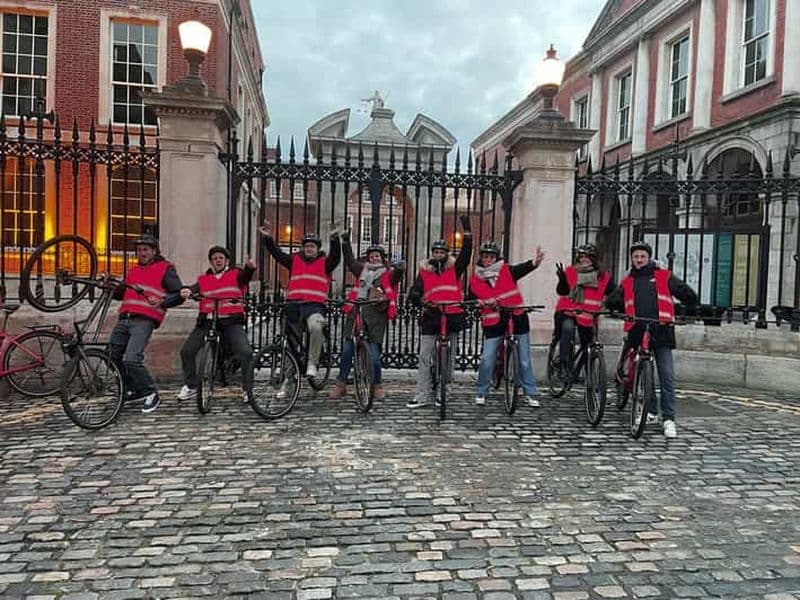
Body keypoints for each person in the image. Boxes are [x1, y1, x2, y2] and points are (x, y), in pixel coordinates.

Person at [606, 240, 698, 438]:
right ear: (632, 259)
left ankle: (669, 418)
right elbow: (612, 300)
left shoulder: (663, 275)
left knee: (666, 376)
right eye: (636, 257)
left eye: (642, 257)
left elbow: (686, 292)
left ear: (649, 258)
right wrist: (618, 307)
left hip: (661, 331)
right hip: (637, 331)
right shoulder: (628, 281)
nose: (639, 260)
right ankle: (652, 411)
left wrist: (690, 302)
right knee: (640, 376)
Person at [108, 234, 184, 414]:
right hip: (124, 317)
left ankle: (151, 392)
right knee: (111, 356)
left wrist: (162, 302)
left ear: (154, 251)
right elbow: (121, 293)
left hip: (144, 319)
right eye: (139, 250)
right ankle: (133, 389)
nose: (141, 253)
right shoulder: (134, 270)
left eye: (145, 250)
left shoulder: (165, 268)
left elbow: (180, 293)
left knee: (132, 358)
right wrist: (111, 285)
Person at [406, 215, 473, 408]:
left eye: (441, 252)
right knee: (425, 357)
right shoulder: (425, 271)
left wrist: (467, 231)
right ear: (431, 254)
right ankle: (422, 394)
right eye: (435, 252)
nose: (437, 255)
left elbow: (466, 255)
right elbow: (416, 289)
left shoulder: (454, 269)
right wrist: (417, 297)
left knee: (448, 358)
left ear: (446, 254)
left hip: (452, 315)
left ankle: (445, 392)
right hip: (431, 315)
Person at [259, 222, 341, 377]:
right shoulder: (294, 261)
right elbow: (278, 254)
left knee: (316, 327)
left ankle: (312, 363)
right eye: (307, 246)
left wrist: (334, 238)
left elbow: (336, 257)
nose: (309, 249)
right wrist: (267, 238)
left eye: (312, 246)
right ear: (303, 248)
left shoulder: (325, 263)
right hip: (294, 305)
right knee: (290, 340)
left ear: (318, 249)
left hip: (314, 307)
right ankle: (287, 372)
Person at [469, 241, 545, 407]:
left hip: (516, 317)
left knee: (524, 359)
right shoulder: (476, 278)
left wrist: (535, 263)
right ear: (481, 258)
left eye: (491, 256)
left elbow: (521, 269)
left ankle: (530, 392)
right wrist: (478, 302)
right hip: (494, 322)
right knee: (487, 358)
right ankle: (482, 390)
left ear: (496, 257)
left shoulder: (506, 270)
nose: (488, 259)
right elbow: (470, 298)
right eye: (485, 256)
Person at [177, 246, 256, 404]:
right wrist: (187, 291)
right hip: (207, 321)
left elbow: (245, 277)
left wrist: (249, 268)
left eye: (220, 258)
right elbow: (194, 289)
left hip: (230, 321)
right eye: (214, 258)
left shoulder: (235, 274)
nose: (217, 260)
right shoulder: (204, 279)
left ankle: (248, 388)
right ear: (211, 262)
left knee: (245, 352)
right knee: (187, 351)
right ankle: (191, 385)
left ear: (226, 261)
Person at [330, 234, 404, 400]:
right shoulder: (361, 271)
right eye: (371, 256)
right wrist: (346, 242)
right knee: (347, 350)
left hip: (376, 316)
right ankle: (341, 384)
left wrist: (400, 268)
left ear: (382, 259)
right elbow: (350, 261)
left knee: (373, 354)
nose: (374, 258)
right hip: (356, 312)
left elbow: (397, 276)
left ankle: (377, 384)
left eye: (377, 256)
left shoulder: (388, 274)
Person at [554, 243, 615, 382]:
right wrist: (562, 279)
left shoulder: (603, 276)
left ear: (594, 259)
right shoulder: (571, 271)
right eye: (581, 257)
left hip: (588, 315)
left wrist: (615, 305)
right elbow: (562, 291)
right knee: (568, 329)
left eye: (587, 257)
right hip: (569, 311)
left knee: (588, 344)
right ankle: (563, 364)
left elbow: (614, 293)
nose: (584, 260)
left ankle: (585, 375)